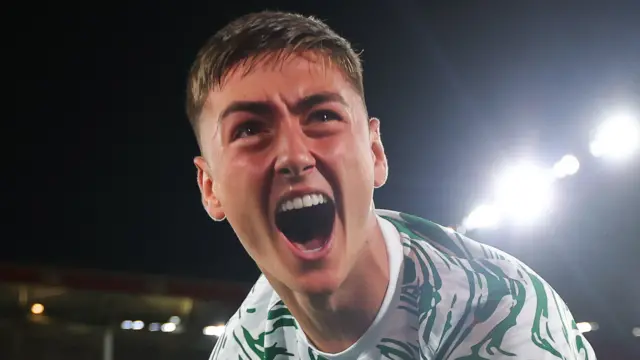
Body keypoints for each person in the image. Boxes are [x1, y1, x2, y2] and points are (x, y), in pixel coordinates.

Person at [185, 11, 596, 360]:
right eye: (250, 129)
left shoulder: (502, 321)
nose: (294, 156)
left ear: (376, 152)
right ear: (210, 187)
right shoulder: (246, 345)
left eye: (323, 117)